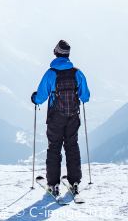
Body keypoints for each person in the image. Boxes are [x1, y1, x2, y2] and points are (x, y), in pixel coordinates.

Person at [31, 40, 90, 198]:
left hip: (56, 118)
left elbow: (41, 96)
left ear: (56, 54)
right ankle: (75, 182)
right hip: (73, 117)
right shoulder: (77, 73)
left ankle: (53, 184)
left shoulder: (51, 73)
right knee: (72, 146)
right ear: (68, 55)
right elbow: (86, 96)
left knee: (54, 148)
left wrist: (34, 98)